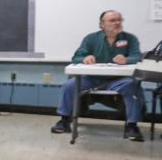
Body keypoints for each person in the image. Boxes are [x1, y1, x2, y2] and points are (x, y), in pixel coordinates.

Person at [51, 10, 144, 141]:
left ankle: (132, 126)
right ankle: (64, 120)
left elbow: (136, 56)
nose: (117, 23)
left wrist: (127, 59)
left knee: (132, 86)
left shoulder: (130, 38)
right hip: (92, 78)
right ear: (102, 24)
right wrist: (85, 58)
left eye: (119, 20)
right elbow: (76, 57)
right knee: (68, 86)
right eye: (112, 21)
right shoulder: (91, 38)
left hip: (119, 79)